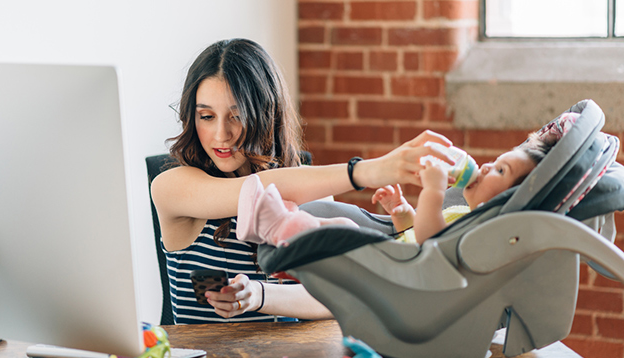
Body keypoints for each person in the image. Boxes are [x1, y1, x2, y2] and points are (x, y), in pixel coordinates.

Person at [150, 38, 455, 324]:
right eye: (206, 116)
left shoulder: (304, 185)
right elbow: (252, 193)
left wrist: (259, 295)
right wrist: (366, 171)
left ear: (266, 113)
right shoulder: (171, 187)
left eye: (237, 115)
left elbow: (334, 296)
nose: (221, 135)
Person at [237, 124, 564, 248]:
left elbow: (429, 240)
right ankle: (277, 225)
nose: (489, 164)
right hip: (401, 261)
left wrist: (433, 192)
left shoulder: (481, 234)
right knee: (341, 225)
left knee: (342, 229)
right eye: (498, 159)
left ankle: (277, 225)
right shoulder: (465, 213)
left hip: (401, 275)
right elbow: (414, 233)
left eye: (502, 170)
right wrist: (401, 211)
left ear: (512, 200)